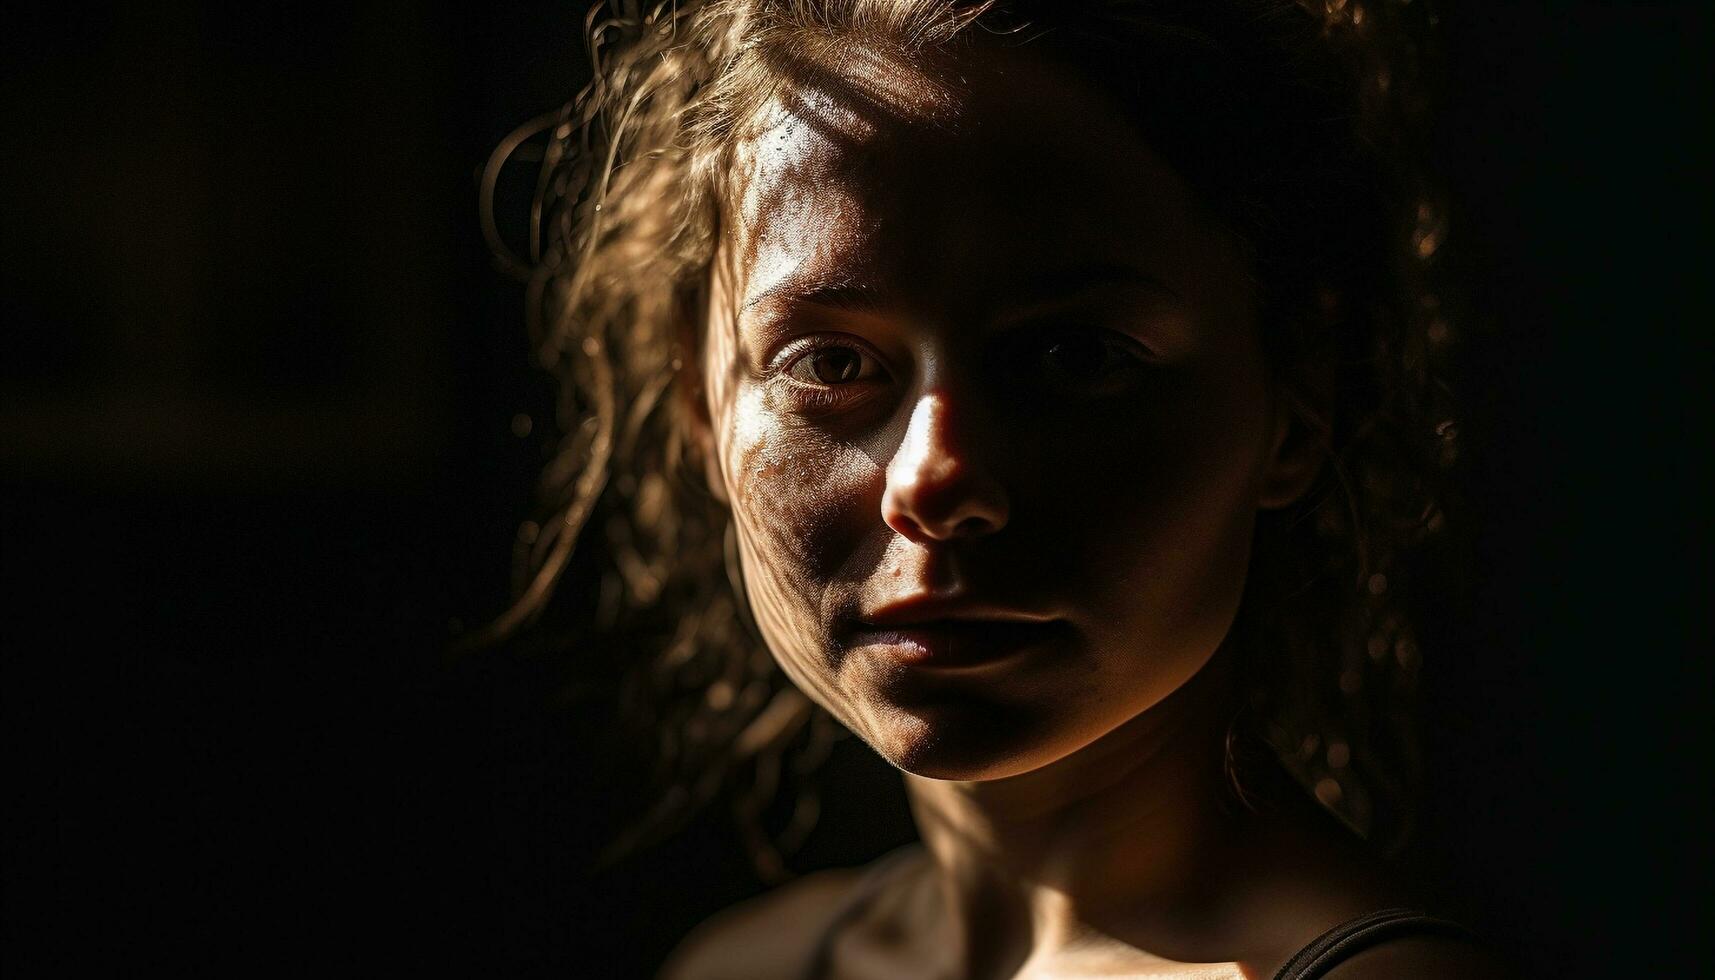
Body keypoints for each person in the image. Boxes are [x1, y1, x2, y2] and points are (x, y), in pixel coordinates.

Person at [482, 1, 1501, 976]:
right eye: (829, 365)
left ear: (1296, 399)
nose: (934, 476)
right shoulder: (743, 964)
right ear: (700, 406)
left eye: (1071, 356)